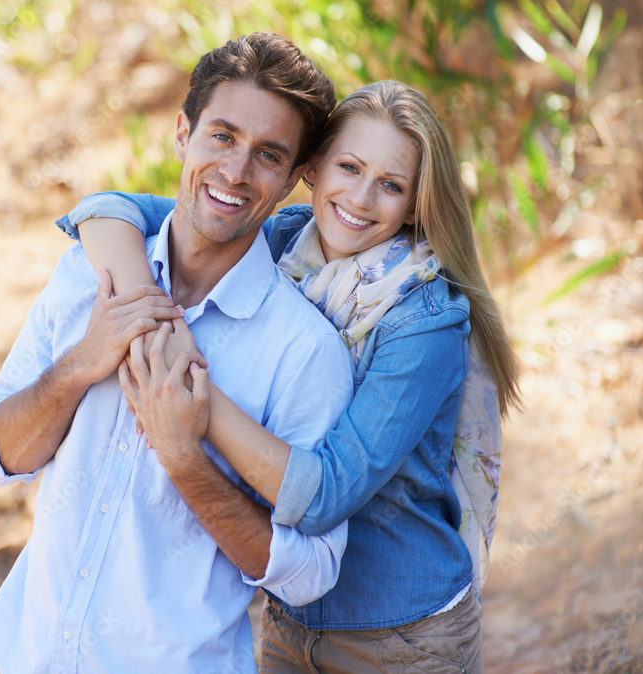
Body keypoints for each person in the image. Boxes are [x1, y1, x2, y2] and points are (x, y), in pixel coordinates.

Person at [57, 79, 522, 673]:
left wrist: (186, 381)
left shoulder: (423, 318)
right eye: (348, 167)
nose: (360, 198)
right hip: (287, 615)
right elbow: (105, 211)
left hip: (402, 635)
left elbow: (326, 493)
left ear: (414, 204)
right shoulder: (282, 238)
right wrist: (152, 313)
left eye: (391, 185)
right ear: (313, 168)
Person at [0, 33, 354, 673]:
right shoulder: (85, 274)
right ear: (183, 133)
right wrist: (76, 367)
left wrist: (185, 459)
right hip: (22, 656)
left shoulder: (304, 352)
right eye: (222, 136)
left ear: (294, 180)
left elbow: (310, 572)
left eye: (268, 155)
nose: (236, 172)